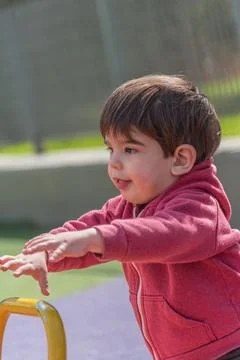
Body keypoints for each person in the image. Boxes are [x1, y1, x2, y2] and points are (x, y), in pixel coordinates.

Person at [0, 74, 240, 360]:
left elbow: (163, 234)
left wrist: (97, 238)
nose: (114, 161)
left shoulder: (199, 207)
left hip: (228, 344)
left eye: (129, 149)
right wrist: (48, 251)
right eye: (110, 148)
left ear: (180, 159)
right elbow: (89, 229)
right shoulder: (127, 207)